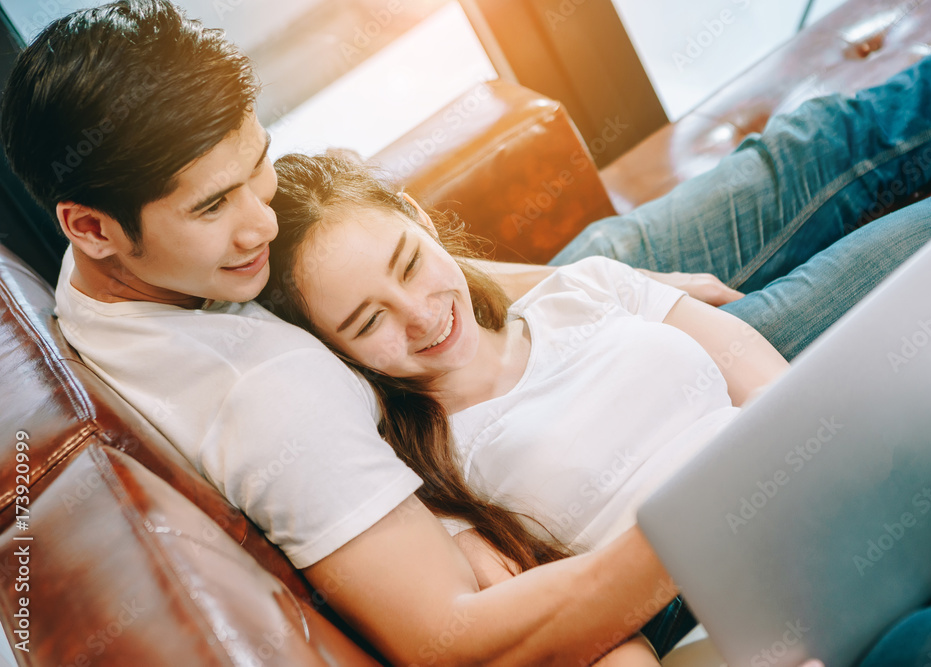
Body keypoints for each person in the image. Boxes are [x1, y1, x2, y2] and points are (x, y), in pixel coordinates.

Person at [258, 14, 931, 666]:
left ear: (421, 220)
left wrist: (823, 468)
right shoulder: (446, 475)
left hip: (848, 490)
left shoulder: (577, 292)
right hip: (754, 609)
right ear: (342, 355)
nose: (419, 317)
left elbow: (750, 367)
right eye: (368, 322)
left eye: (411, 264)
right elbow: (583, 629)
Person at [0, 2, 683, 664]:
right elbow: (455, 639)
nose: (261, 225)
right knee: (787, 169)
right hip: (574, 437)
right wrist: (707, 512)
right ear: (89, 227)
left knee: (662, 237)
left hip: (513, 328)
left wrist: (584, 285)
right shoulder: (265, 394)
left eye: (255, 165)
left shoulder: (106, 277)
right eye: (212, 205)